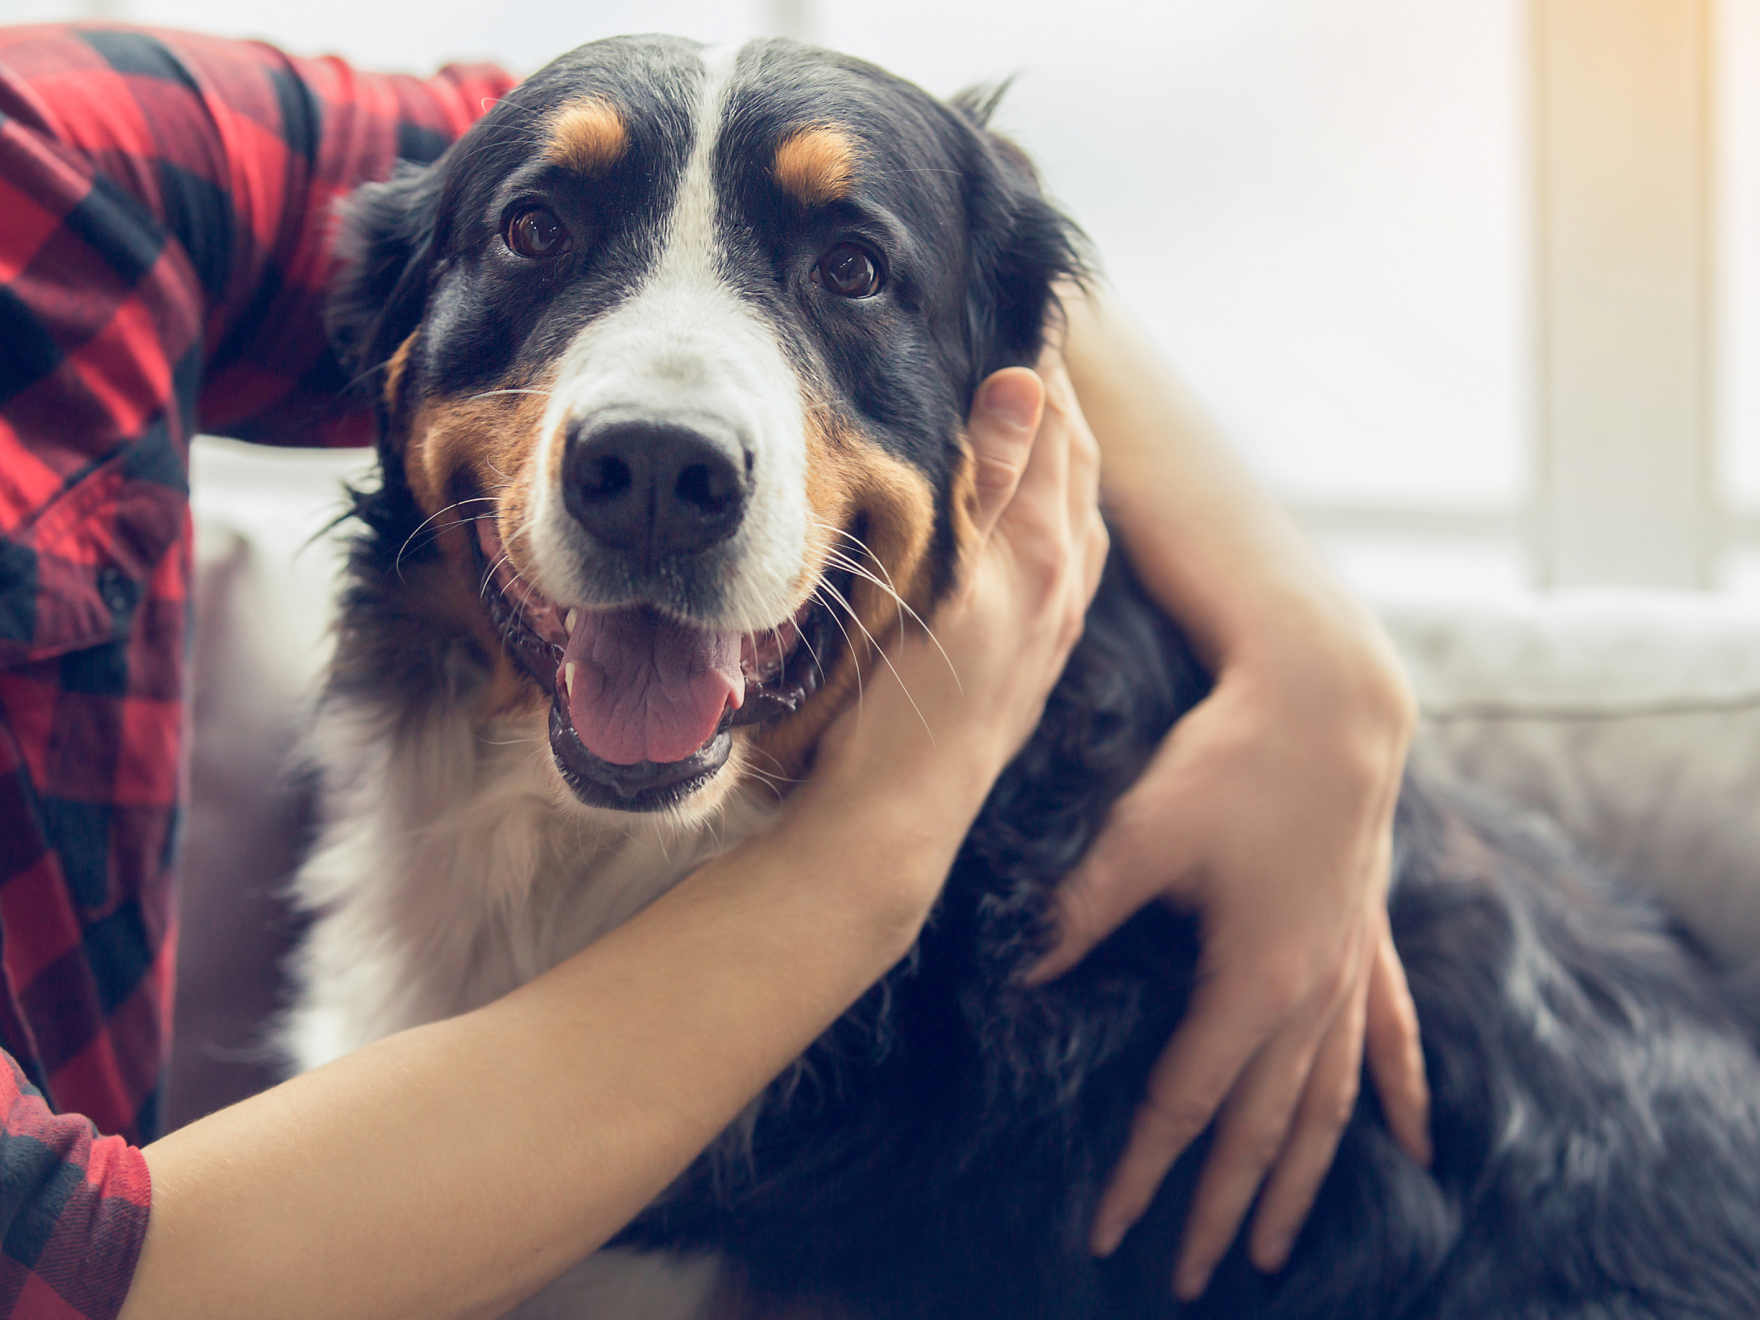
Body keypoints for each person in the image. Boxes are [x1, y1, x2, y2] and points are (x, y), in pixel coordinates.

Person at [0, 22, 1425, 1318]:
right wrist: (878, 846)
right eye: (543, 235)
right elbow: (100, 1272)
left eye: (851, 270)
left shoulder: (54, 158)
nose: (663, 425)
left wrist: (1318, 657)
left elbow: (760, 146)